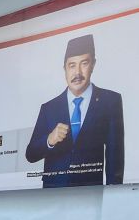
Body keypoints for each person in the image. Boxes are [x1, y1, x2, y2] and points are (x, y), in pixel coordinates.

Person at [25, 34, 124, 187]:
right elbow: (30, 154)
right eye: (72, 65)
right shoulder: (49, 108)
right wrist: (50, 140)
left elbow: (115, 155)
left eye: (84, 63)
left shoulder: (110, 101)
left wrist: (113, 196)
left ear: (93, 64)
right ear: (65, 68)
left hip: (90, 195)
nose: (77, 72)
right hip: (53, 197)